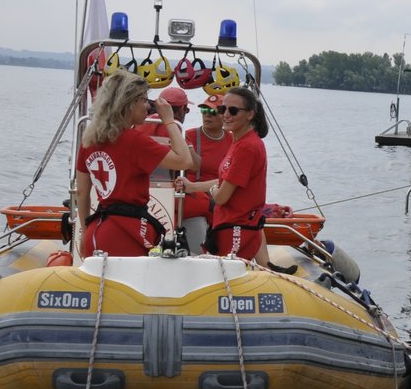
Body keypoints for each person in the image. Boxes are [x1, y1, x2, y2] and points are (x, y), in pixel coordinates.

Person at [74, 71, 196, 257]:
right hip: (126, 232)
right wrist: (169, 121)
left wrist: (84, 231)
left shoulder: (88, 140)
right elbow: (185, 161)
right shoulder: (134, 141)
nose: (147, 106)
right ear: (129, 103)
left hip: (96, 230)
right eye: (143, 100)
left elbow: (82, 193)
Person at [179, 86, 269, 260]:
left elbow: (221, 197)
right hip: (228, 224)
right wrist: (191, 186)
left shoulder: (247, 147)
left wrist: (213, 191)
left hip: (237, 226)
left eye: (233, 111)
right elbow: (224, 180)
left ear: (250, 114)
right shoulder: (238, 141)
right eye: (223, 109)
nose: (226, 115)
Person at [180, 94, 232, 253]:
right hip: (197, 198)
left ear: (224, 115)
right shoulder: (189, 135)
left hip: (222, 195)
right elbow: (193, 167)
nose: (207, 115)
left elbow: (233, 178)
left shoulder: (233, 140)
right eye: (204, 110)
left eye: (213, 112)